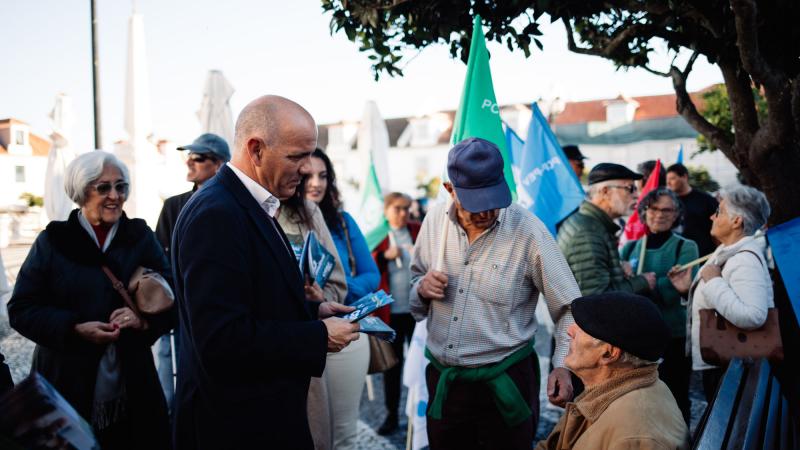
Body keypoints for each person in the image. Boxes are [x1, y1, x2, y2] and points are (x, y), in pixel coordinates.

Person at [171, 96, 361, 450]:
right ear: (256, 149)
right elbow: (221, 341)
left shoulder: (250, 203)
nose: (307, 169)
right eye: (296, 157)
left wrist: (311, 312)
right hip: (236, 428)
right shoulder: (219, 213)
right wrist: (316, 337)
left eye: (309, 155)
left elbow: (252, 300)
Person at [410, 137, 582, 450]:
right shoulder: (434, 219)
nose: (486, 211)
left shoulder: (528, 230)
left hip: (506, 381)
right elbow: (414, 293)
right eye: (475, 203)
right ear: (450, 190)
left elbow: (569, 306)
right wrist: (421, 288)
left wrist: (562, 364)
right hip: (446, 384)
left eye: (494, 200)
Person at [8, 150, 172, 449]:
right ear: (81, 192)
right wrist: (73, 327)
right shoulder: (54, 241)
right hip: (66, 380)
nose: (115, 196)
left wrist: (142, 319)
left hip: (132, 380)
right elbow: (21, 309)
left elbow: (172, 294)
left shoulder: (139, 235)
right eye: (103, 187)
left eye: (121, 186)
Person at [536, 292, 689, 450]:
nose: (570, 330)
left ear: (609, 354)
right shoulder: (611, 390)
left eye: (582, 326)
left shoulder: (632, 435)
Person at [668, 185, 773, 401]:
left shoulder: (743, 260)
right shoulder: (726, 252)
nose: (712, 216)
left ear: (737, 221)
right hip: (725, 361)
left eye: (719, 211)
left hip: (732, 365)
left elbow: (753, 315)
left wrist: (713, 281)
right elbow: (723, 300)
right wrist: (689, 290)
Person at [304, 148, 378, 449]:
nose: (316, 183)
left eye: (323, 176)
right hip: (298, 338)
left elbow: (371, 275)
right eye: (308, 175)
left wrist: (335, 291)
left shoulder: (343, 222)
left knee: (343, 435)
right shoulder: (277, 221)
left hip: (345, 336)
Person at [153, 132, 229, 413]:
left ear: (219, 164)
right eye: (189, 157)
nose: (190, 162)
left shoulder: (231, 206)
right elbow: (159, 253)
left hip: (213, 305)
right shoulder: (174, 205)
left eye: (198, 158)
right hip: (178, 302)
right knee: (174, 364)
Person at [276, 174, 349, 450]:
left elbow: (339, 281)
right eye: (295, 161)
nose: (310, 179)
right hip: (265, 353)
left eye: (321, 175)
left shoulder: (309, 211)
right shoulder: (248, 212)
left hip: (306, 345)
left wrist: (318, 300)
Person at [619, 188, 698, 423]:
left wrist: (641, 282)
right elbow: (620, 290)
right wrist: (629, 279)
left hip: (673, 336)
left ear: (676, 214)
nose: (659, 214)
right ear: (644, 211)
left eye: (667, 209)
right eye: (653, 208)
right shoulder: (631, 248)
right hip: (638, 337)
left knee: (675, 396)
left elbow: (675, 291)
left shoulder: (685, 247)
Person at [558, 162, 657, 296]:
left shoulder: (593, 225)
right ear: (605, 192)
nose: (636, 196)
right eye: (630, 188)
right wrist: (642, 282)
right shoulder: (587, 233)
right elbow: (597, 298)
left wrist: (617, 268)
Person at [371, 192, 421, 435]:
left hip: (417, 312)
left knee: (421, 363)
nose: (403, 213)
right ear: (386, 210)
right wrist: (382, 256)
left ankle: (421, 414)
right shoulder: (379, 237)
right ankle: (392, 415)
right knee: (393, 367)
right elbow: (364, 265)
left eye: (406, 208)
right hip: (390, 313)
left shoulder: (417, 230)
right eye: (397, 209)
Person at [666, 163, 719, 257]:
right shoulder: (668, 202)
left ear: (684, 177)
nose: (668, 183)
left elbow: (718, 227)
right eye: (667, 180)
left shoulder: (705, 199)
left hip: (704, 255)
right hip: (677, 256)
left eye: (672, 178)